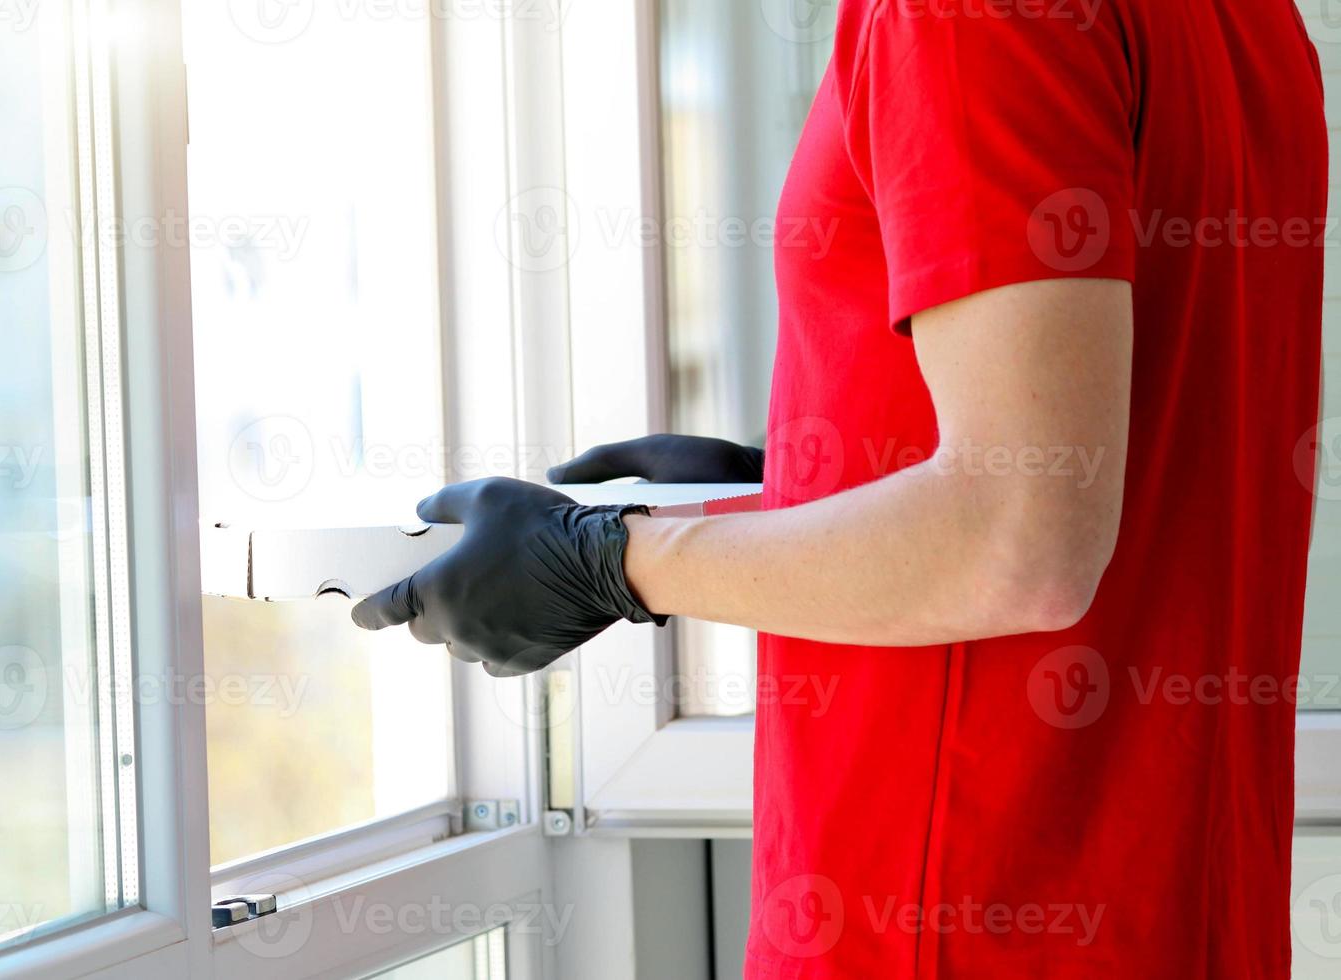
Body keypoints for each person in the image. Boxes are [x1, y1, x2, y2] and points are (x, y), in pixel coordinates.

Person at [355, 1, 1328, 975]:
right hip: (1180, 914)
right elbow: (1128, 429)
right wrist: (808, 460)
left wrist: (612, 559)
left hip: (954, 921)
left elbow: (1019, 541)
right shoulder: (1248, 22)